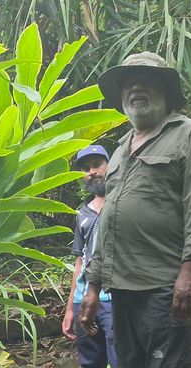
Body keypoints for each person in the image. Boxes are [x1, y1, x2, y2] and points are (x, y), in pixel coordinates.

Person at [78, 52, 191, 368]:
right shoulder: (118, 151)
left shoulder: (188, 134)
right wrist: (93, 287)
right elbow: (109, 222)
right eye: (128, 83)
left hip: (166, 287)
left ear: (165, 91)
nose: (135, 88)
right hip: (122, 291)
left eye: (146, 81)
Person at [62, 144, 117, 368]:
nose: (92, 172)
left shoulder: (122, 203)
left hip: (115, 298)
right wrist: (69, 309)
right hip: (83, 301)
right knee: (90, 363)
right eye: (86, 168)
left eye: (97, 165)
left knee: (121, 359)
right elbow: (79, 262)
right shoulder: (82, 214)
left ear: (109, 166)